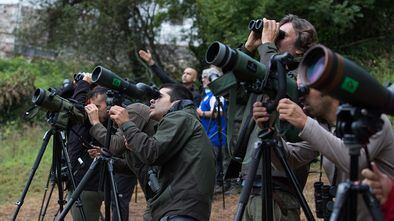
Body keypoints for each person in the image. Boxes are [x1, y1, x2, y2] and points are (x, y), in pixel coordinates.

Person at [252, 86, 394, 220]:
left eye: (305, 89)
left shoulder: (372, 121)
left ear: (328, 86)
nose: (300, 96)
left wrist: (305, 122)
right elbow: (288, 160)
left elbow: (353, 160)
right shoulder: (324, 127)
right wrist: (270, 132)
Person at [236, 14, 318, 221]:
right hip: (250, 185)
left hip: (279, 190)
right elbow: (229, 89)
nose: (273, 38)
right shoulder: (265, 69)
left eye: (280, 35)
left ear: (300, 47)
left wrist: (266, 47)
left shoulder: (307, 77)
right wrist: (248, 49)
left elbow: (280, 91)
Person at [108, 83, 216, 221]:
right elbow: (148, 166)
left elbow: (151, 153)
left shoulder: (181, 117)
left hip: (179, 209)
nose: (152, 100)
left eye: (158, 96)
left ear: (176, 102)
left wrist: (126, 124)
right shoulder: (182, 121)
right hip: (175, 207)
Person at [86, 102, 158, 221]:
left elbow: (116, 146)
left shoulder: (134, 110)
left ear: (110, 103)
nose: (93, 112)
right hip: (154, 187)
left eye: (97, 107)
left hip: (164, 189)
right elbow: (131, 168)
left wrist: (95, 123)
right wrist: (111, 160)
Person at [67, 75, 105, 221]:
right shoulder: (113, 119)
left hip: (86, 184)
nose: (92, 109)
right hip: (91, 182)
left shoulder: (90, 120)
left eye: (98, 105)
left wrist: (83, 83)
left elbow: (75, 108)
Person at [197, 67, 229, 192]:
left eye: (205, 77)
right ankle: (214, 185)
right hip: (209, 133)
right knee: (212, 161)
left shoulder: (216, 95)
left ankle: (218, 185)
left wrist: (201, 113)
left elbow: (219, 112)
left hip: (216, 134)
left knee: (215, 161)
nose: (203, 80)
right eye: (203, 77)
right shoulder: (208, 94)